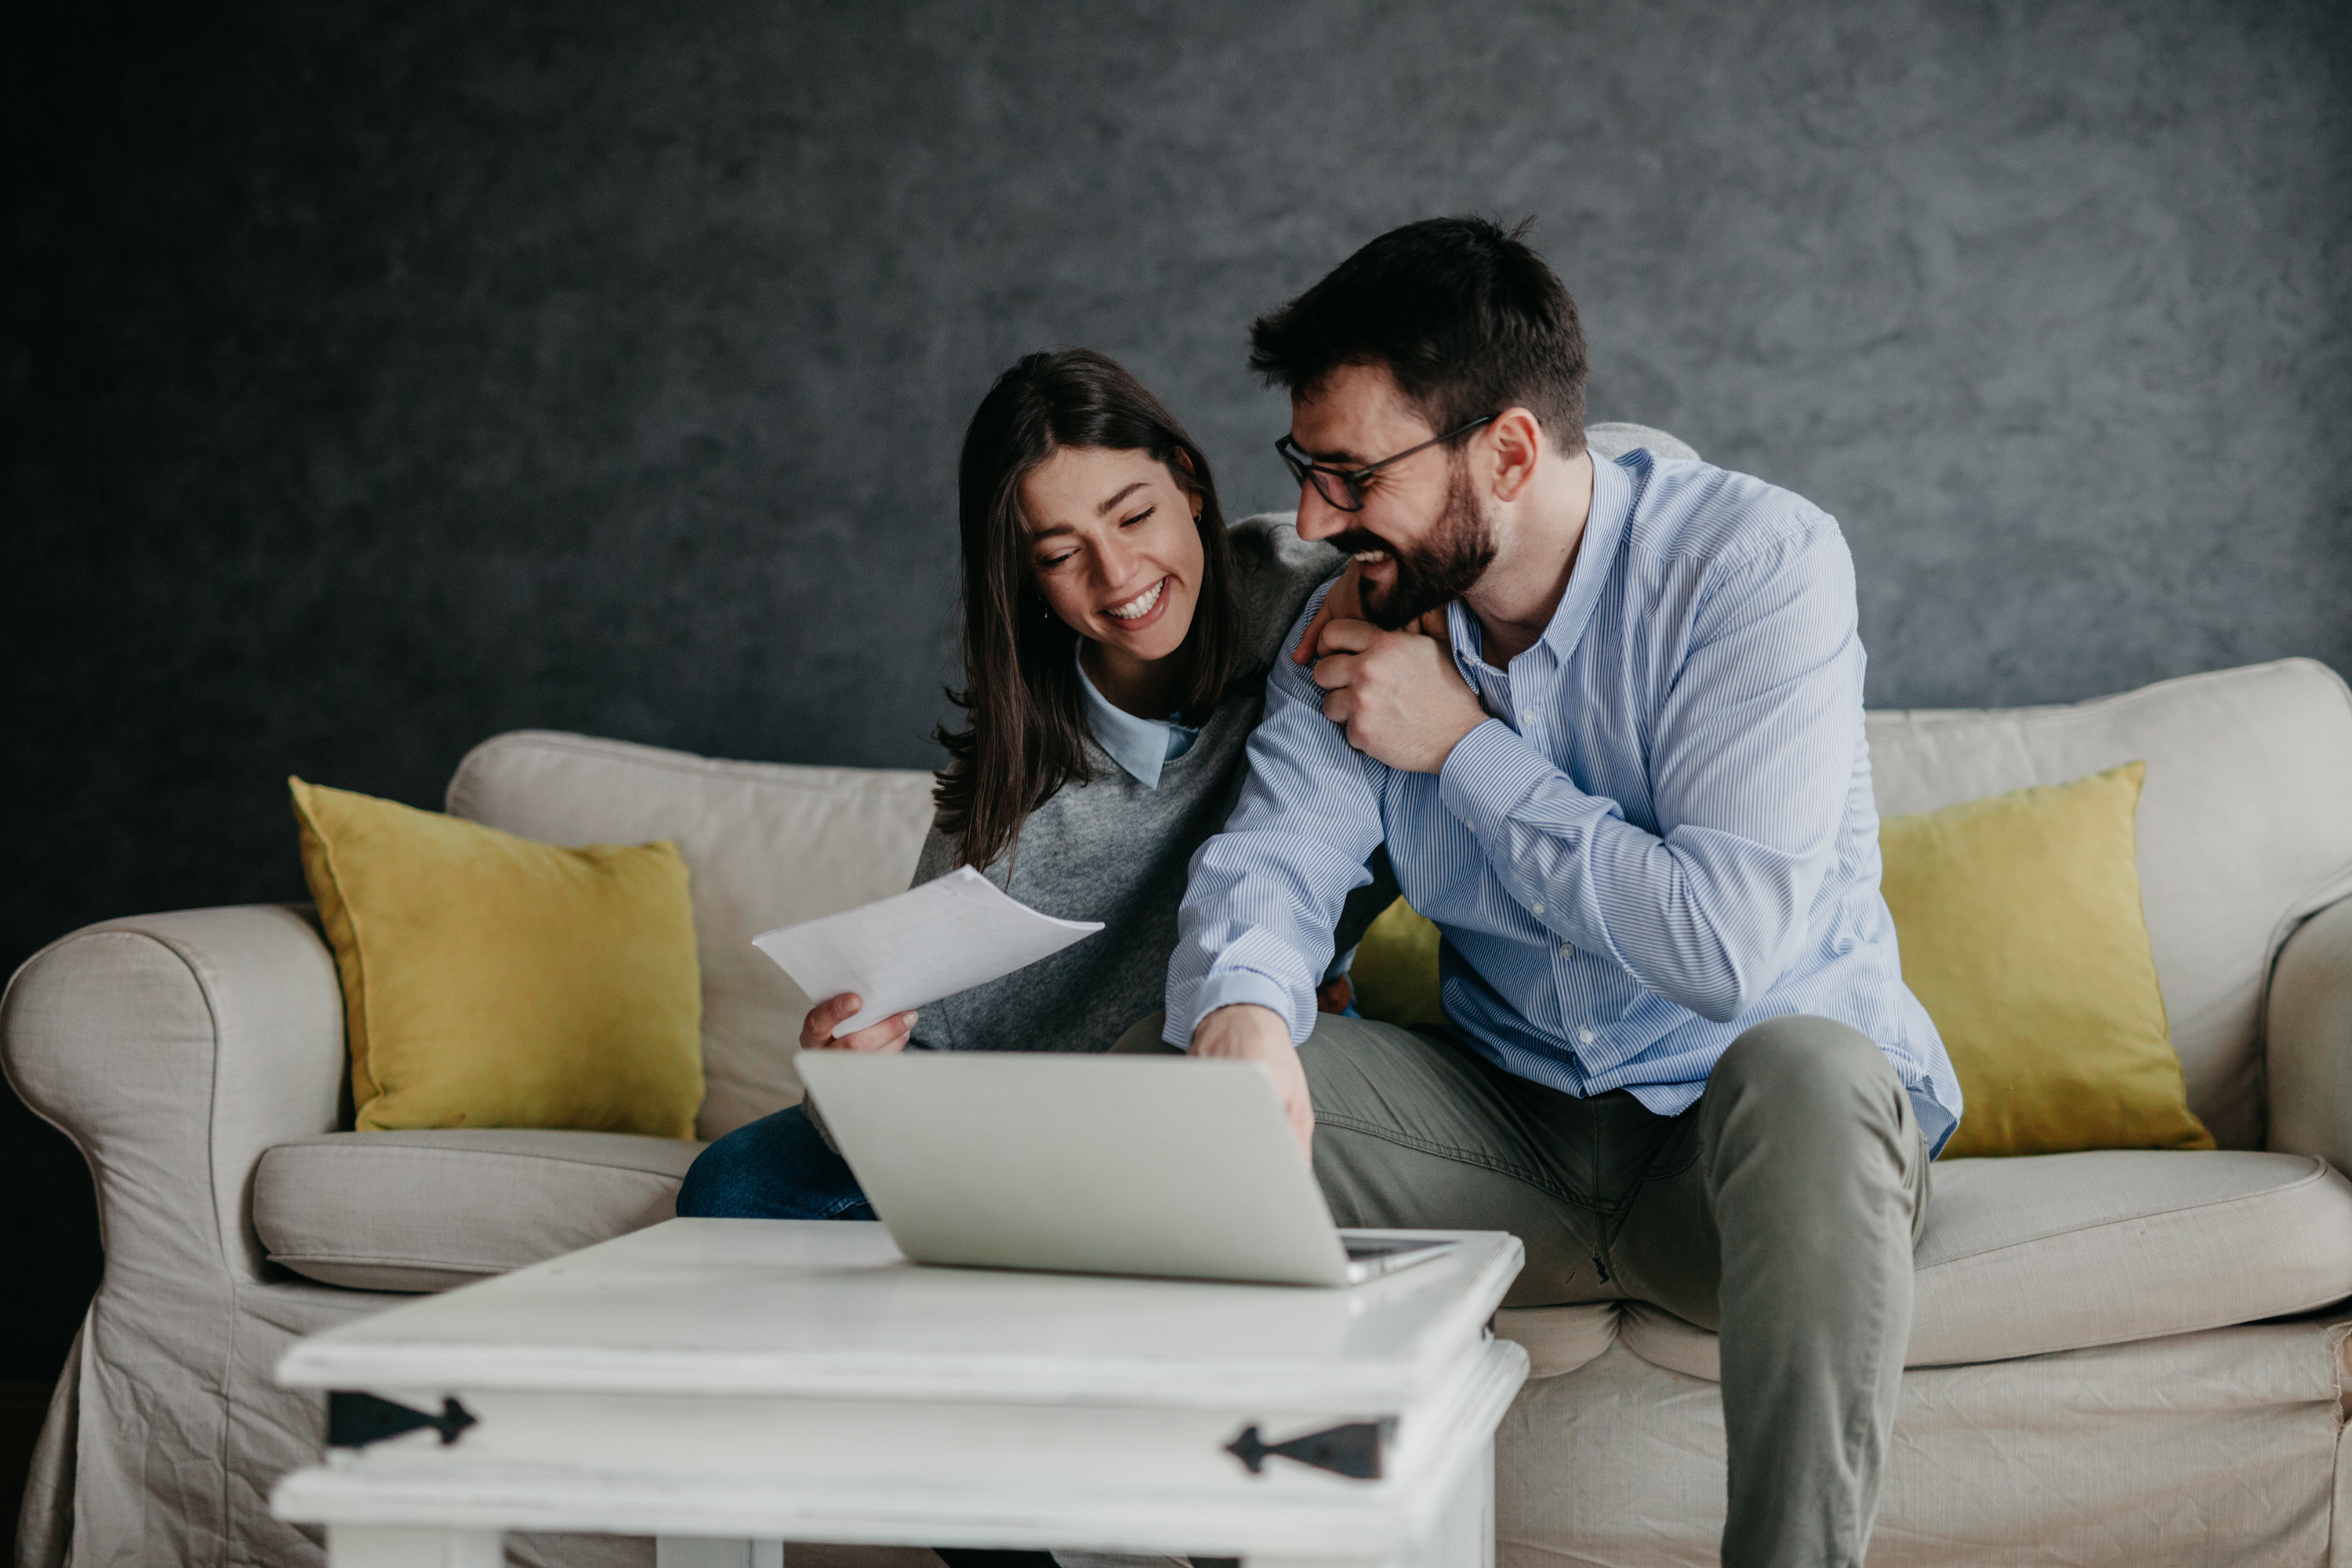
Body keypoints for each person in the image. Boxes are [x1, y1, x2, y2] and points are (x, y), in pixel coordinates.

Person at [1162, 218, 1963, 1568]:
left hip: (1748, 1166)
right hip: (1508, 1142)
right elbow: (1275, 860)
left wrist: (1464, 749)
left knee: (1814, 1074)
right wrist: (1241, 1004)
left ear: (1511, 452)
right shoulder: (1358, 607)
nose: (1310, 521)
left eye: (1351, 474)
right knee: (1172, 1072)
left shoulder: (1755, 569)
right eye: (1305, 470)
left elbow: (1725, 948)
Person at [677, 347, 1394, 1222]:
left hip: (1214, 1074)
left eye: (1135, 516)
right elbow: (904, 1073)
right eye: (1062, 553)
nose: (1119, 575)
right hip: (1018, 1121)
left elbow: (1540, 488)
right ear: (1028, 578)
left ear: (1190, 486)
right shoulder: (1019, 789)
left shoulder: (1320, 592)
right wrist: (851, 1066)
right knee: (735, 1182)